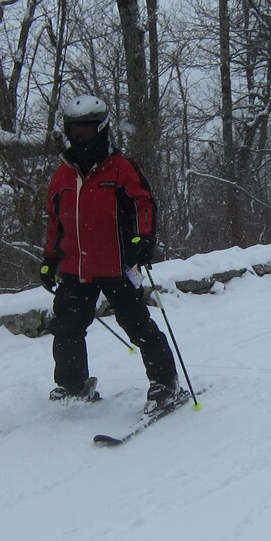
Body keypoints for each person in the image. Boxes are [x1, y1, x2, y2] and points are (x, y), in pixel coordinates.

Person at [38, 93, 180, 413]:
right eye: (75, 131)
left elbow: (144, 203)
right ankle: (73, 384)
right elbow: (54, 221)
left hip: (120, 264)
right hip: (75, 268)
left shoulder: (120, 168)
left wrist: (145, 239)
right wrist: (49, 259)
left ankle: (165, 382)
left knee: (137, 325)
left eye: (86, 131)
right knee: (67, 328)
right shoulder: (62, 175)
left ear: (101, 129)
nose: (80, 138)